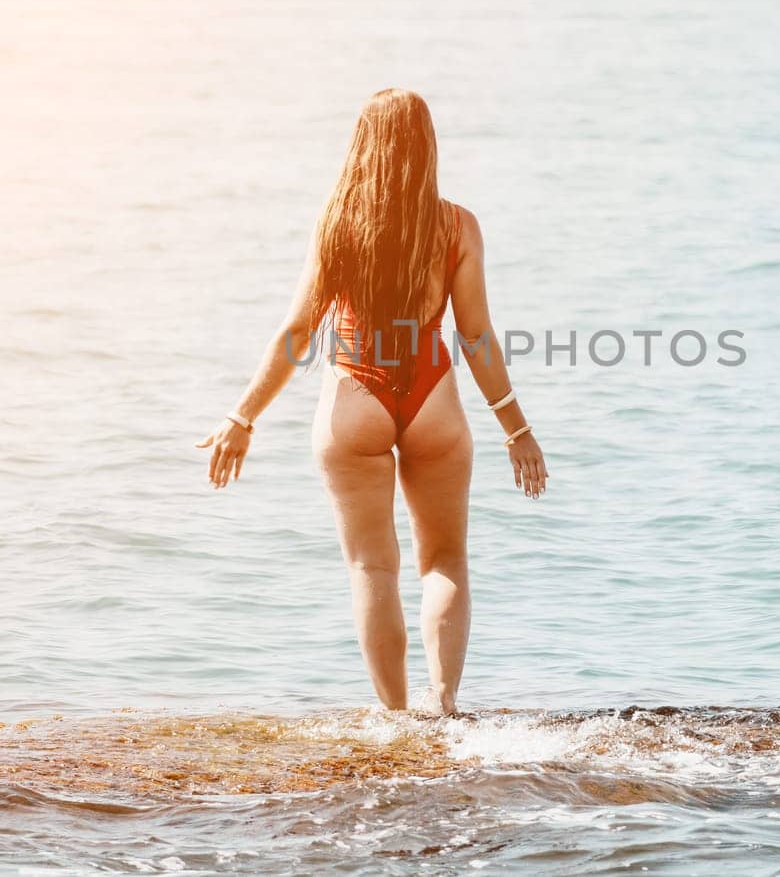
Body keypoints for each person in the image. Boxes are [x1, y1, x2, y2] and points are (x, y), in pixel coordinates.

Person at [195, 89, 548, 714]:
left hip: (353, 396)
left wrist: (242, 416)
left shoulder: (337, 220)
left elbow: (297, 332)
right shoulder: (456, 225)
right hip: (431, 395)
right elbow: (474, 336)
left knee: (371, 568)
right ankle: (444, 708)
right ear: (427, 144)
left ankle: (395, 718)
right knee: (444, 561)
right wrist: (516, 431)